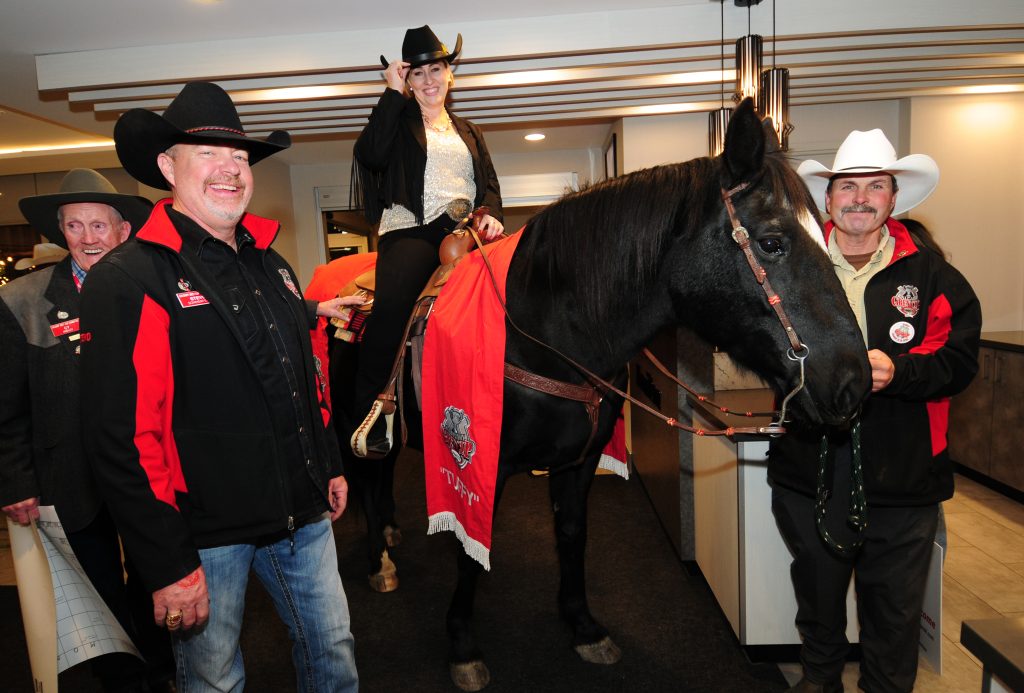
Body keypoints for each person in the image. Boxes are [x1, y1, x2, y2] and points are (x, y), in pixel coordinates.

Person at [79, 82, 359, 693]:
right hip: (204, 537)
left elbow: (302, 379)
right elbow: (121, 437)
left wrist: (329, 464)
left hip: (301, 514)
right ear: (166, 167)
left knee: (333, 653)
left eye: (238, 157)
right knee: (214, 680)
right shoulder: (130, 278)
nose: (229, 168)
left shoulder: (274, 266)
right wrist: (166, 562)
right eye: (205, 153)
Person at [769, 130, 982, 693]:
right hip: (809, 473)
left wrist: (899, 373)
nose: (860, 197)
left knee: (893, 621)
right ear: (829, 196)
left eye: (875, 186)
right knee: (817, 610)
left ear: (894, 198)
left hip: (905, 479)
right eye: (848, 186)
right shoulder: (791, 268)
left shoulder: (935, 277)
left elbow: (959, 365)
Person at [0, 169, 175, 692]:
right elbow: (6, 403)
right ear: (60, 233)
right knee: (97, 590)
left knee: (157, 578)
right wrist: (15, 481)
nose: (88, 237)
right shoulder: (23, 301)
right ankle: (123, 680)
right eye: (74, 226)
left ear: (124, 231)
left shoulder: (153, 288)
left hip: (147, 470)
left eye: (100, 225)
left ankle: (163, 668)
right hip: (67, 475)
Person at [350, 24, 504, 458]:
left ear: (450, 75)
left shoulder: (469, 129)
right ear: (406, 79)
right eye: (417, 74)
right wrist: (390, 94)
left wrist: (489, 216)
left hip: (466, 230)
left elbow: (488, 183)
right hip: (412, 230)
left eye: (436, 69)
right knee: (391, 311)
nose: (429, 80)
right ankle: (370, 411)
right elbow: (369, 155)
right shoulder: (396, 122)